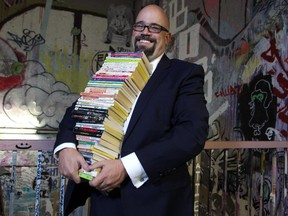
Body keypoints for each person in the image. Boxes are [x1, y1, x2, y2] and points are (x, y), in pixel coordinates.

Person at [54, 4, 209, 216]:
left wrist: (126, 167)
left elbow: (191, 135)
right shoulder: (112, 68)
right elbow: (76, 112)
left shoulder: (185, 74)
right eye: (140, 26)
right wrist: (66, 147)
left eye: (154, 27)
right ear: (133, 32)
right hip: (104, 199)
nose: (145, 31)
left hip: (156, 203)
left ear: (167, 38)